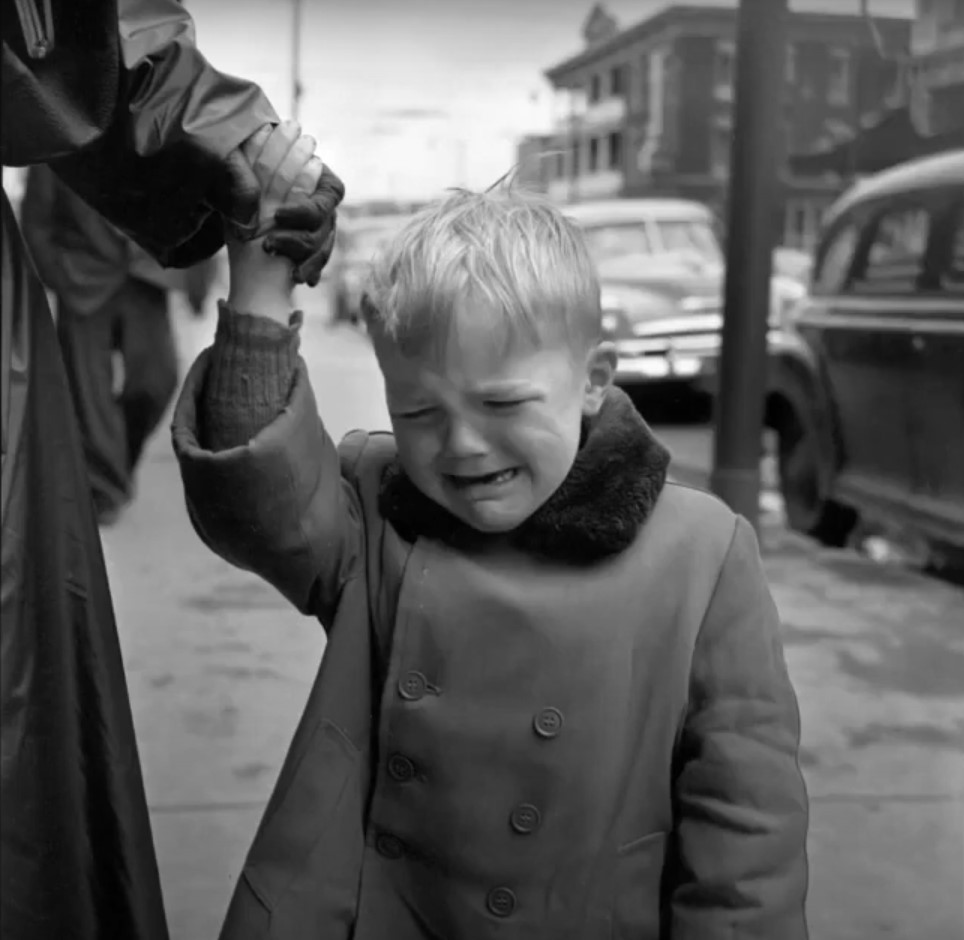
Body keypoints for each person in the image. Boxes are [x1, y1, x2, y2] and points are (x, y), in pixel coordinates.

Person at [173, 123, 809, 939]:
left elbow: (746, 832)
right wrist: (260, 292)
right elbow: (256, 505)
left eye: (504, 404)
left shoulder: (703, 556)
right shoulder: (376, 504)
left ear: (593, 381)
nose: (462, 445)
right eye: (418, 412)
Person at [0, 2, 342, 938]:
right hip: (80, 278)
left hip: (132, 274)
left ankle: (108, 476)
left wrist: (244, 168)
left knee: (143, 382)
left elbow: (84, 37)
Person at [20, 163, 217, 525]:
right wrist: (57, 275)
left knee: (157, 380)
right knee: (87, 391)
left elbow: (193, 205)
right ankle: (105, 489)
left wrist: (198, 286)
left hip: (147, 278)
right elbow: (35, 220)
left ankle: (109, 465)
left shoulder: (152, 126)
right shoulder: (55, 142)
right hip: (80, 282)